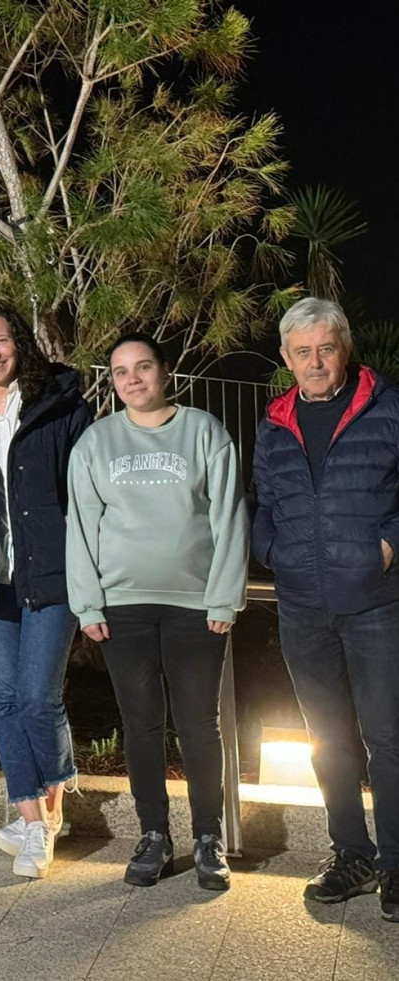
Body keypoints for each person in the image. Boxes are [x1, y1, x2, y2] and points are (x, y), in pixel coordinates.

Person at [66, 332, 248, 891]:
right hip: (123, 607)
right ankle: (153, 835)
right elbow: (81, 525)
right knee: (140, 724)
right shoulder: (96, 443)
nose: (133, 379)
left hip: (196, 605)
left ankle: (207, 837)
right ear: (114, 382)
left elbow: (229, 518)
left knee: (199, 725)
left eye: (143, 367)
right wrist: (87, 602)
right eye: (121, 372)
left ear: (165, 372)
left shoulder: (204, 432)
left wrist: (224, 595)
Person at [252, 297, 399, 922]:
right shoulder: (274, 422)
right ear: (287, 359)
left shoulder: (388, 410)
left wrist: (388, 547)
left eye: (326, 349)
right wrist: (271, 551)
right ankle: (352, 855)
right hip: (302, 607)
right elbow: (260, 501)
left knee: (388, 736)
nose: (315, 362)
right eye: (302, 352)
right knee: (327, 739)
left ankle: (395, 861)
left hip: (375, 605)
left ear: (345, 348)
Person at [0, 300, 92, 879]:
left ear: (20, 344)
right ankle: (33, 820)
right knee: (3, 700)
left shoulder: (60, 407)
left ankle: (48, 809)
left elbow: (85, 493)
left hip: (51, 573)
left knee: (38, 698)